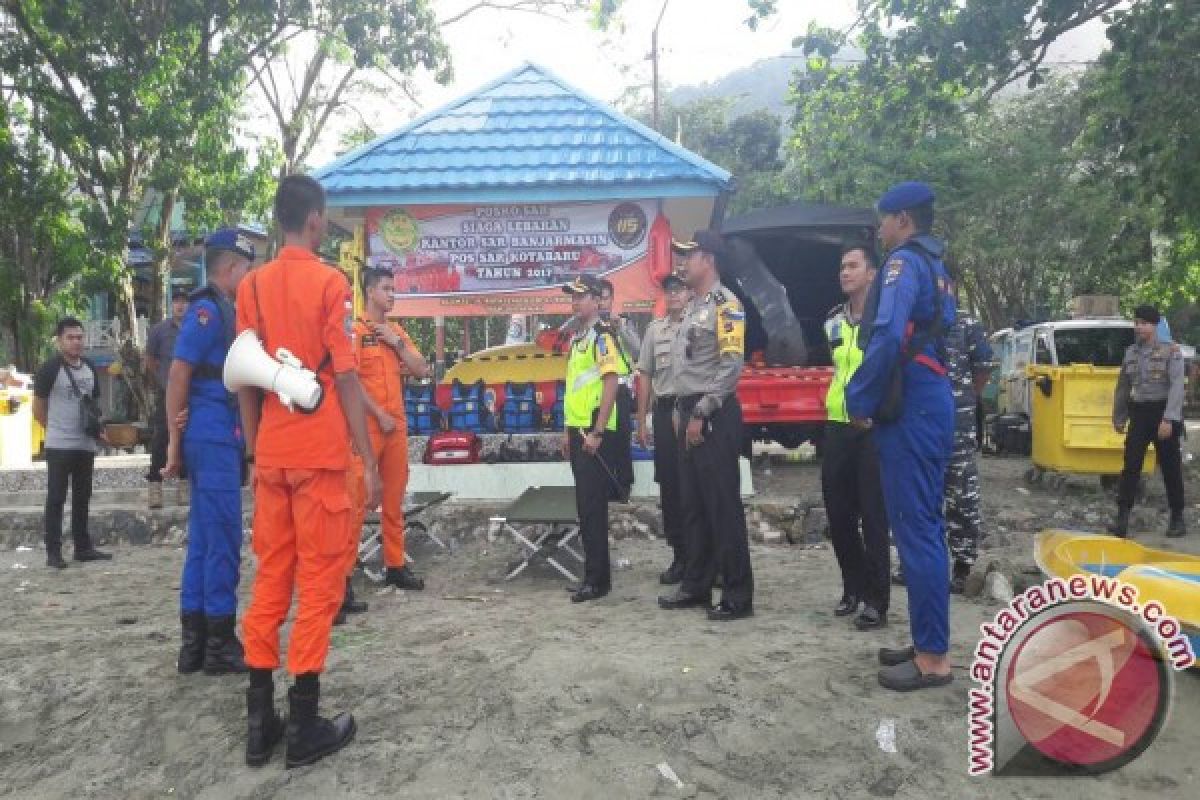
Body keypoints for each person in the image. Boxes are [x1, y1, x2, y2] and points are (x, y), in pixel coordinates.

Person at [236, 175, 382, 769]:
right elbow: (344, 376)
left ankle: (257, 722)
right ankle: (304, 725)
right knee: (320, 583)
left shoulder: (252, 285)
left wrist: (254, 449)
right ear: (316, 221)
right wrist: (367, 459)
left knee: (272, 576)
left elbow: (243, 375)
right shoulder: (329, 282)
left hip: (271, 453)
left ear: (277, 220)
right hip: (320, 458)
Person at [846, 182, 956, 692]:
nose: (880, 227)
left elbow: (889, 335)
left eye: (884, 218)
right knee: (923, 526)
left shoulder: (903, 264)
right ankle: (925, 642)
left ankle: (933, 658)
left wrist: (860, 398)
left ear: (903, 219)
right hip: (930, 398)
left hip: (910, 405)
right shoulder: (937, 265)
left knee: (916, 531)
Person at [160, 230, 256, 675]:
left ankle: (194, 645)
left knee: (202, 540)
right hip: (212, 432)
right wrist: (173, 442)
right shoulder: (208, 310)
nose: (249, 277)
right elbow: (178, 373)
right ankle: (218, 643)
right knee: (222, 539)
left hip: (212, 430)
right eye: (247, 269)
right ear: (232, 267)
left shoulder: (221, 309)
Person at [657, 230, 754, 622]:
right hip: (687, 414)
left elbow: (731, 366)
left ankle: (737, 595)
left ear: (709, 259)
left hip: (712, 417)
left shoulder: (725, 304)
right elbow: (686, 367)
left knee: (722, 506)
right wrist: (682, 410)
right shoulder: (693, 305)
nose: (682, 262)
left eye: (688, 255)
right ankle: (696, 584)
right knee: (692, 505)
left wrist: (701, 412)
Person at [346, 267, 431, 601]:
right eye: (386, 288)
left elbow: (421, 368)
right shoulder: (353, 330)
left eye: (394, 289)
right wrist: (378, 414)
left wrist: (395, 342)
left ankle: (395, 564)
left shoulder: (396, 331)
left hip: (395, 426)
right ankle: (343, 577)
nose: (392, 294)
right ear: (369, 292)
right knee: (356, 503)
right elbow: (349, 382)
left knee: (394, 500)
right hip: (367, 426)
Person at [893, 312, 992, 593]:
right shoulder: (909, 321)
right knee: (919, 496)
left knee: (961, 495)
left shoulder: (966, 323)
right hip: (918, 423)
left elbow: (983, 368)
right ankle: (914, 564)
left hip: (957, 425)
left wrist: (963, 399)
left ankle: (962, 567)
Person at [821, 243, 890, 631]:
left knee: (874, 516)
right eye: (841, 266)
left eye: (853, 266)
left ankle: (877, 601)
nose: (844, 272)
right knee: (839, 513)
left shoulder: (884, 320)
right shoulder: (832, 321)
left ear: (871, 273)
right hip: (837, 424)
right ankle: (852, 587)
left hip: (873, 428)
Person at [561, 274, 624, 603]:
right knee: (585, 509)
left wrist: (598, 430)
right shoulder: (578, 338)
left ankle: (598, 581)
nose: (575, 302)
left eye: (580, 296)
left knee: (593, 507)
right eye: (572, 296)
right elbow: (574, 388)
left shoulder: (602, 337)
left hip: (593, 433)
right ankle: (593, 575)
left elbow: (611, 382)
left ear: (597, 300)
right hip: (579, 430)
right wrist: (567, 430)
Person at [33, 318, 112, 568]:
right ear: (59, 340)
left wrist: (98, 430)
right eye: (70, 337)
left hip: (85, 444)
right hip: (59, 444)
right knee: (56, 497)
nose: (76, 342)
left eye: (79, 337)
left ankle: (83, 546)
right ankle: (53, 552)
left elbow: (94, 404)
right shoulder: (49, 369)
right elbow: (38, 408)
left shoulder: (89, 368)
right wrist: (55, 429)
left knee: (82, 496)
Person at [1110, 304, 1187, 538]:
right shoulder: (1130, 353)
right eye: (1137, 323)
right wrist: (1119, 416)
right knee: (1131, 465)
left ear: (1154, 326)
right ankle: (1122, 518)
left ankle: (1177, 518)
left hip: (1163, 412)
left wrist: (1169, 419)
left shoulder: (1170, 351)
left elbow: (1176, 387)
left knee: (1170, 467)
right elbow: (1123, 387)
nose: (1139, 327)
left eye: (1144, 323)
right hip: (1140, 413)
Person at [635, 272, 690, 585]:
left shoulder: (698, 324)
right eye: (670, 291)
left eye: (680, 290)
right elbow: (644, 375)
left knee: (694, 485)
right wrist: (641, 420)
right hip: (666, 411)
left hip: (692, 411)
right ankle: (680, 555)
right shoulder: (655, 331)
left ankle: (703, 556)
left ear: (689, 294)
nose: (674, 296)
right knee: (669, 487)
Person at [145, 290, 188, 509]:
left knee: (189, 437)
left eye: (184, 302)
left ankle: (185, 483)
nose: (180, 306)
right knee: (162, 436)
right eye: (177, 302)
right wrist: (162, 380)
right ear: (172, 305)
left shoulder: (195, 329)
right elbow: (150, 360)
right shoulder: (159, 331)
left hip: (191, 393)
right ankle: (155, 484)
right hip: (166, 391)